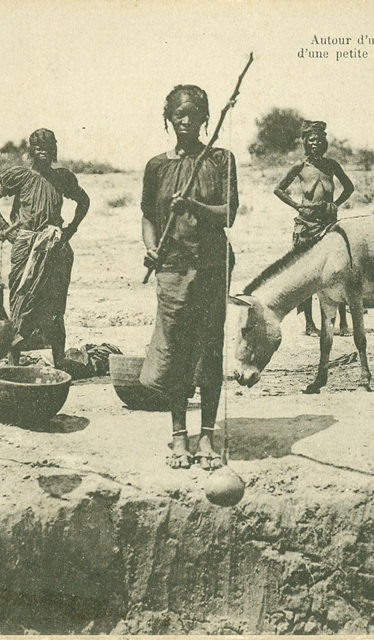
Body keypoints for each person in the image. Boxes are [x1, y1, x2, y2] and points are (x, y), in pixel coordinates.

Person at [140, 84, 238, 470]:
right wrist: (150, 246)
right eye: (179, 114)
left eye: (194, 114)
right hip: (172, 268)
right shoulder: (156, 166)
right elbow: (149, 215)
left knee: (210, 348)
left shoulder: (220, 159)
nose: (186, 121)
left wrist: (194, 204)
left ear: (205, 119)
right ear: (168, 118)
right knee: (176, 349)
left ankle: (208, 436)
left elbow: (229, 213)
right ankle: (180, 436)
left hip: (212, 266)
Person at [0, 128, 90, 368]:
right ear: (30, 149)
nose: (42, 149)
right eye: (36, 145)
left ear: (54, 149)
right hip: (26, 246)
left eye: (47, 145)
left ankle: (58, 361)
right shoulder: (18, 175)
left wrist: (71, 230)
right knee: (21, 300)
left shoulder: (62, 177)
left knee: (55, 304)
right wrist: (6, 229)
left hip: (55, 247)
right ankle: (13, 362)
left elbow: (84, 201)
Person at [274, 120, 355, 335]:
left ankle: (343, 322)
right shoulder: (299, 167)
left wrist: (335, 204)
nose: (316, 143)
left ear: (324, 142)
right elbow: (278, 189)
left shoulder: (332, 166)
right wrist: (297, 206)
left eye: (320, 140)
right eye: (312, 140)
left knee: (338, 271)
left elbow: (349, 187)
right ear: (306, 143)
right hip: (306, 226)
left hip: (329, 224)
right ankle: (310, 324)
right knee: (307, 274)